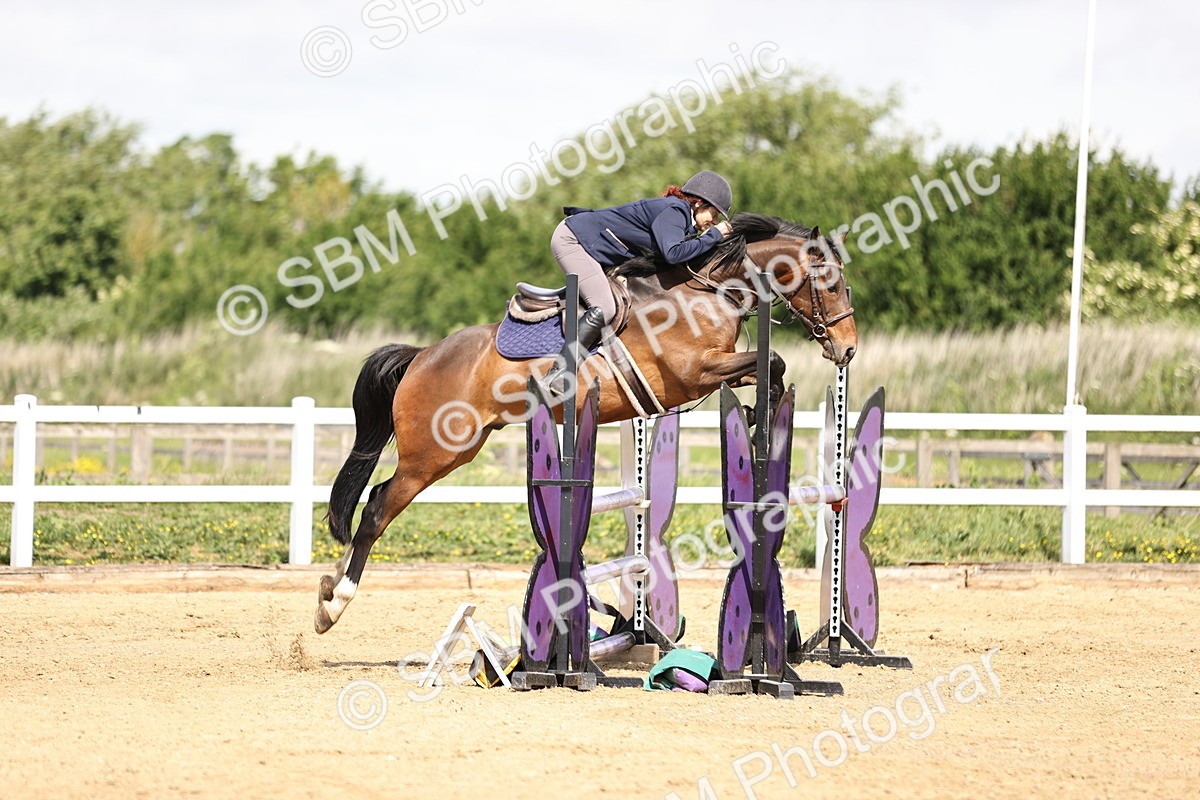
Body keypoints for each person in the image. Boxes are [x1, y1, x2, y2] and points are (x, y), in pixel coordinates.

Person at [546, 170, 734, 389]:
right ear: (699, 203)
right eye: (714, 213)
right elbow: (673, 253)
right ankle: (559, 372)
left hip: (589, 244)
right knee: (605, 307)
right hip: (572, 240)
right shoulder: (675, 211)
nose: (715, 220)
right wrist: (714, 236)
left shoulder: (680, 216)